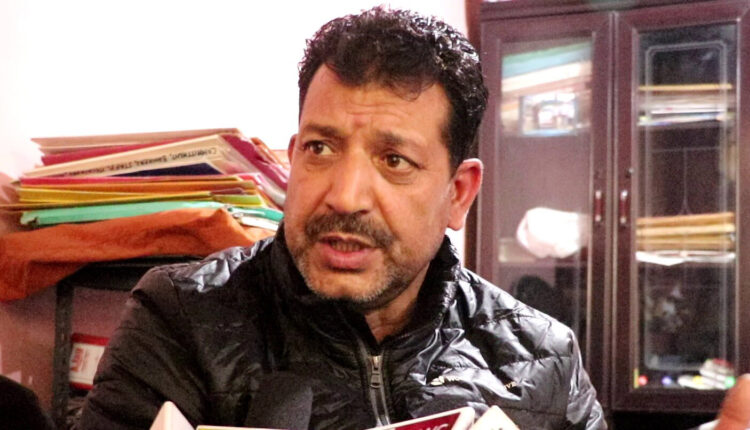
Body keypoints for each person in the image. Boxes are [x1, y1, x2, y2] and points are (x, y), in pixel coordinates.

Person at [79, 6, 605, 430]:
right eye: (321, 149)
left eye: (394, 160)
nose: (345, 197)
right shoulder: (179, 318)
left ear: (458, 194)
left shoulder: (543, 358)